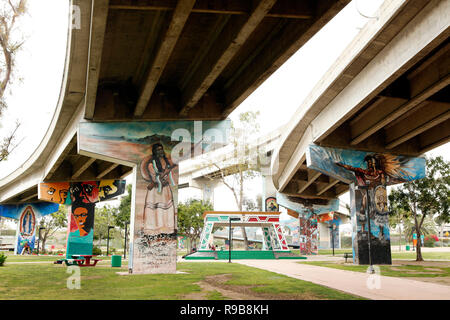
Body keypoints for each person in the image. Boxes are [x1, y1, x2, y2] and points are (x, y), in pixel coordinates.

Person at [140, 143, 178, 234]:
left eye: (161, 149)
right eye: (158, 150)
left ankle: (166, 230)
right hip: (155, 192)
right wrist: (165, 173)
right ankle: (152, 231)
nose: (160, 151)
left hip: (165, 190)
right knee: (154, 210)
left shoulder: (166, 162)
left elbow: (169, 176)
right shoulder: (151, 164)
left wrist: (167, 174)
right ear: (154, 151)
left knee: (166, 210)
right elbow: (155, 178)